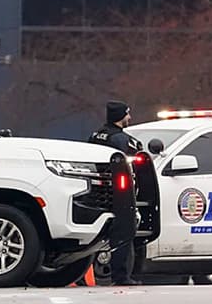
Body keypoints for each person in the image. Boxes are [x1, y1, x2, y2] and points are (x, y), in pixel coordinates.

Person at [88, 100, 143, 286]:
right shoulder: (121, 139)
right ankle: (121, 277)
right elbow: (132, 161)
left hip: (98, 192)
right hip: (120, 193)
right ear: (120, 116)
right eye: (127, 114)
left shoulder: (97, 135)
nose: (130, 117)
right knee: (124, 234)